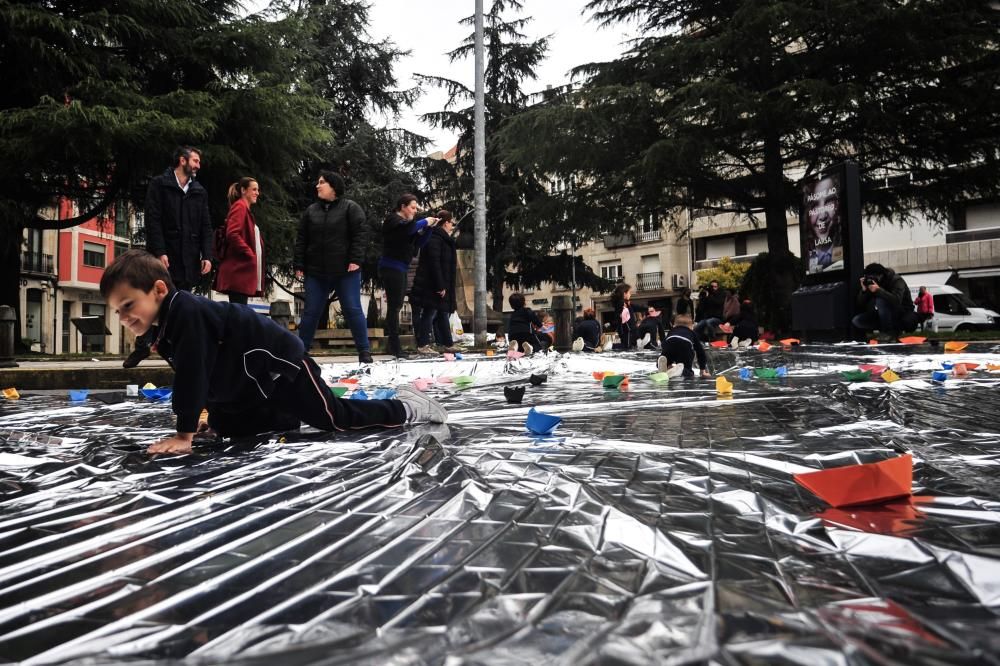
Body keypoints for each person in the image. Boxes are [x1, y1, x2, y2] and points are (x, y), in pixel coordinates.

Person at [100, 251, 446, 455]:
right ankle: (277, 418)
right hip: (250, 384)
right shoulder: (166, 326)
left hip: (283, 367)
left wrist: (183, 434)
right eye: (118, 311)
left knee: (333, 418)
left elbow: (193, 374)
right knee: (235, 433)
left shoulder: (186, 312)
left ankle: (408, 407)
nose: (124, 318)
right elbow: (208, 374)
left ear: (158, 290)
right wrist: (209, 422)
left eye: (128, 305)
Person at [125, 146, 213, 368]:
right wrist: (160, 251)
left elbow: (205, 225)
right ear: (182, 160)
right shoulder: (160, 184)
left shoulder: (199, 191)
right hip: (166, 254)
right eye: (195, 160)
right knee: (156, 299)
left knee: (181, 303)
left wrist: (207, 255)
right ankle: (143, 346)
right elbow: (153, 220)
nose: (198, 165)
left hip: (189, 257)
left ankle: (174, 351)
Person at [294, 171, 372, 363]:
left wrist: (355, 259)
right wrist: (299, 263)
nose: (317, 186)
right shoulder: (311, 211)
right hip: (317, 272)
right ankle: (300, 353)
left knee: (352, 309)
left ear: (333, 186)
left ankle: (364, 351)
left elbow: (360, 235)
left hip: (346, 271)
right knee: (311, 311)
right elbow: (302, 239)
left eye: (322, 182)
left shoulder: (351, 208)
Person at [380, 194, 436, 358]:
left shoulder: (406, 225)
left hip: (401, 268)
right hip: (391, 267)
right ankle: (395, 347)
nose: (415, 211)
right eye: (412, 207)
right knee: (394, 307)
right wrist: (426, 221)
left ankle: (394, 346)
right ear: (402, 206)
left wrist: (430, 228)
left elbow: (418, 242)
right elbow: (409, 229)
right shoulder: (393, 220)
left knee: (396, 306)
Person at [410, 210, 458, 354]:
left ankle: (447, 344)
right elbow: (434, 263)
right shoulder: (435, 238)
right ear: (446, 223)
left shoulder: (441, 238)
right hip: (433, 284)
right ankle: (423, 344)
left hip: (438, 282)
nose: (452, 226)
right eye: (451, 223)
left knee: (442, 313)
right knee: (429, 313)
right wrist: (440, 285)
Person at [213, 177, 264, 305]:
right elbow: (232, 234)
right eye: (254, 189)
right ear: (243, 190)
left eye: (257, 190)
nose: (257, 193)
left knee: (238, 314)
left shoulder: (244, 209)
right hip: (238, 272)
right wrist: (250, 254)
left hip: (242, 272)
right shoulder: (240, 207)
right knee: (238, 315)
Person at [851, 263, 918, 340]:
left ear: (880, 275)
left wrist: (879, 290)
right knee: (857, 320)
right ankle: (883, 330)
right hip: (884, 314)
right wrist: (864, 290)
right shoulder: (873, 284)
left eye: (872, 277)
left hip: (902, 312)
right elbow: (860, 303)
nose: (871, 280)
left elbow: (897, 300)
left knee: (880, 300)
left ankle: (889, 332)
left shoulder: (896, 280)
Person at [657, 314, 711, 378]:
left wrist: (666, 355)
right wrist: (702, 370)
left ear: (674, 325)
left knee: (666, 356)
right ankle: (683, 370)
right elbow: (700, 352)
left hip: (669, 342)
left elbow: (664, 344)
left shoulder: (672, 331)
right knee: (686, 367)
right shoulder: (692, 333)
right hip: (685, 344)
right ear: (691, 326)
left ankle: (666, 366)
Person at [610, 283, 636, 349]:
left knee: (628, 345)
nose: (630, 294)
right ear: (624, 294)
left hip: (627, 328)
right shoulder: (621, 303)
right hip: (627, 328)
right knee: (626, 346)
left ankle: (612, 346)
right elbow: (619, 316)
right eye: (629, 292)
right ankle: (611, 346)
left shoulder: (625, 303)